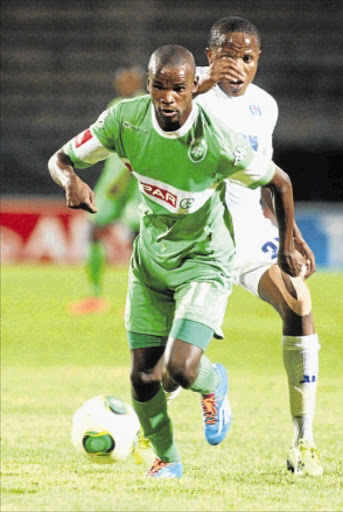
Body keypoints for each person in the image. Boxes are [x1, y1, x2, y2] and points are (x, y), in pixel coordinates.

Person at [48, 44, 305, 478]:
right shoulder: (123, 119)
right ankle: (168, 461)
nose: (167, 97)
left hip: (205, 259)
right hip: (150, 261)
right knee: (144, 377)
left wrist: (287, 242)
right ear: (148, 85)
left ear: (194, 90)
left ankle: (213, 380)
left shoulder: (218, 139)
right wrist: (71, 179)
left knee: (180, 368)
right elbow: (61, 158)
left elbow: (280, 181)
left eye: (178, 89)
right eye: (159, 87)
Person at [189, 16, 322, 476]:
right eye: (228, 54)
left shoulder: (265, 106)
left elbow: (264, 174)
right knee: (170, 368)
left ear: (257, 61)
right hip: (196, 237)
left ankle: (303, 442)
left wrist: (292, 233)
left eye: (247, 57)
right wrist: (197, 86)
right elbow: (149, 121)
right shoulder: (184, 97)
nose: (238, 65)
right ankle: (208, 385)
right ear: (210, 56)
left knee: (298, 300)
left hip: (247, 231)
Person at [67, 66, 144, 315]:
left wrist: (123, 178)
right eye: (119, 80)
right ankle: (95, 295)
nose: (121, 84)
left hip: (136, 184)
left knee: (139, 240)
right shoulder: (116, 104)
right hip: (112, 181)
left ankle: (141, 299)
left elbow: (139, 150)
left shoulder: (146, 108)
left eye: (126, 80)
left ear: (138, 82)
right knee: (95, 231)